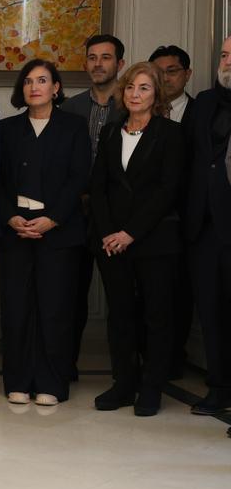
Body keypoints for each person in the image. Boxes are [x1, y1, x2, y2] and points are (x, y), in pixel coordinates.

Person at [89, 62, 184, 416]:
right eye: (130, 87)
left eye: (144, 88)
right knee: (121, 316)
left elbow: (167, 191)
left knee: (156, 316)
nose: (135, 94)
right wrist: (109, 233)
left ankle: (151, 388)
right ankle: (123, 384)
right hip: (112, 242)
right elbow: (98, 188)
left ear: (156, 93)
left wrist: (131, 232)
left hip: (154, 241)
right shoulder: (111, 133)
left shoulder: (171, 134)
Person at [0, 60, 90, 406]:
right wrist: (9, 217)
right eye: (28, 82)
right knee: (16, 308)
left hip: (59, 232)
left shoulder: (74, 127)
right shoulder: (6, 129)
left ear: (56, 88)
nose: (34, 87)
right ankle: (18, 380)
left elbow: (79, 177)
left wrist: (53, 218)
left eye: (42, 80)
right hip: (15, 232)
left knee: (55, 308)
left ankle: (52, 381)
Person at [61, 34, 128, 380]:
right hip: (73, 214)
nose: (98, 64)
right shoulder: (70, 107)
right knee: (71, 296)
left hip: (117, 218)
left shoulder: (131, 106)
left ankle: (126, 373)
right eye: (92, 57)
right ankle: (65, 365)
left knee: (123, 298)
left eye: (106, 58)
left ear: (120, 65)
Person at [182, 35, 231, 416]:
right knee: (211, 313)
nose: (227, 61)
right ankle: (218, 389)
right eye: (225, 55)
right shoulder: (205, 103)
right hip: (204, 228)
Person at [149, 44, 196, 378]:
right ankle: (146, 360)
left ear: (187, 74)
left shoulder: (203, 111)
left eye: (173, 70)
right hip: (143, 223)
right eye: (159, 71)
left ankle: (172, 362)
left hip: (188, 220)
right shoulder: (135, 115)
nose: (166, 78)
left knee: (179, 295)